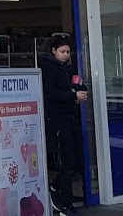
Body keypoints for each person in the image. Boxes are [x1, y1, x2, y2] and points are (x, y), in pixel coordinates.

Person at [39, 35, 88, 216]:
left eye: (68, 52)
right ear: (54, 51)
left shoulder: (69, 68)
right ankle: (65, 203)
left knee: (77, 159)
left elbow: (78, 84)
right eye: (62, 52)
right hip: (57, 120)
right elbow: (49, 92)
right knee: (67, 161)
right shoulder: (48, 67)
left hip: (71, 117)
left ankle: (57, 185)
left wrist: (81, 91)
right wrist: (72, 95)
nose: (66, 55)